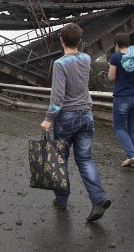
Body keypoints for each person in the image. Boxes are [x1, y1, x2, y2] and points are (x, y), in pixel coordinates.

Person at [40, 23, 111, 222]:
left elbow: (58, 97)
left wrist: (48, 119)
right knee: (85, 159)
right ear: (79, 40)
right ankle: (99, 198)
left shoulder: (60, 64)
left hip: (66, 118)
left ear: (61, 40)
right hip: (86, 115)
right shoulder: (86, 58)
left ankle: (61, 200)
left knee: (60, 160)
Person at [108, 32, 134, 168]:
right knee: (133, 129)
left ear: (117, 44)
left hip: (122, 98)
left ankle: (131, 155)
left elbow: (111, 77)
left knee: (119, 127)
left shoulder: (116, 57)